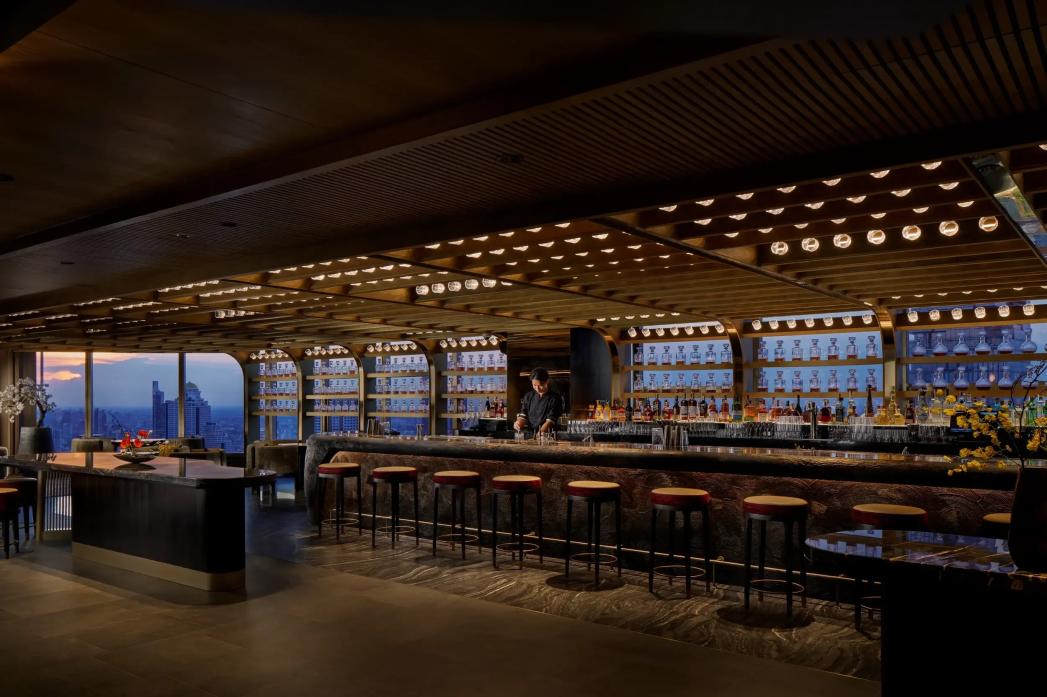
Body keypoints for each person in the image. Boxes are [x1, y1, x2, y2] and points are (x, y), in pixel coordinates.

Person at [513, 367, 564, 437]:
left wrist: (540, 434)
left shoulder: (555, 398)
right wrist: (518, 423)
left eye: (540, 385)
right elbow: (523, 414)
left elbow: (550, 420)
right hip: (530, 434)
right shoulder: (528, 396)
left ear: (547, 381)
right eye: (534, 385)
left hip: (547, 436)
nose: (537, 388)